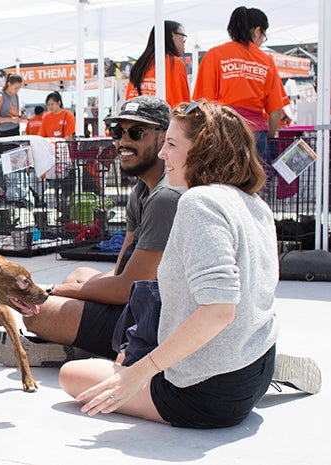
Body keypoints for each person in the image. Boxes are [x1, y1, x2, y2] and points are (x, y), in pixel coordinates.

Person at [58, 99, 281, 428]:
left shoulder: (199, 202)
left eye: (172, 145)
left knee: (72, 375)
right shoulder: (254, 204)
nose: (163, 155)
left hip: (207, 393)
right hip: (257, 366)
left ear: (205, 150)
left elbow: (219, 309)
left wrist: (140, 372)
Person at [20, 96, 183, 360]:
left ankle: (79, 343)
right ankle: (78, 339)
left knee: (37, 314)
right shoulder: (142, 190)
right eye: (118, 132)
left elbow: (126, 288)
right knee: (79, 274)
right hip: (141, 301)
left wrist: (53, 291)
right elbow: (121, 271)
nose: (123, 142)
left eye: (136, 132)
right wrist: (73, 290)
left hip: (156, 320)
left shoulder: (165, 197)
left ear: (164, 138)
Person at [192, 6, 289, 161]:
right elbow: (276, 110)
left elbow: (203, 102)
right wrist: (269, 137)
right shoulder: (266, 61)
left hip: (223, 129)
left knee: (223, 180)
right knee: (254, 182)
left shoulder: (215, 54)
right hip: (256, 132)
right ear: (257, 31)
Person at [126, 20, 190, 109]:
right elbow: (181, 105)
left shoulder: (140, 63)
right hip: (163, 120)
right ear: (172, 35)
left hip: (136, 119)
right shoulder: (174, 63)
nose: (184, 41)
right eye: (182, 36)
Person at [0, 72, 23, 137]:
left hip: (16, 129)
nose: (17, 90)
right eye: (16, 88)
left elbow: (13, 113)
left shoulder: (15, 96)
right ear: (9, 85)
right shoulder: (1, 96)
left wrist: (20, 117)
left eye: (19, 88)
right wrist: (11, 119)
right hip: (4, 132)